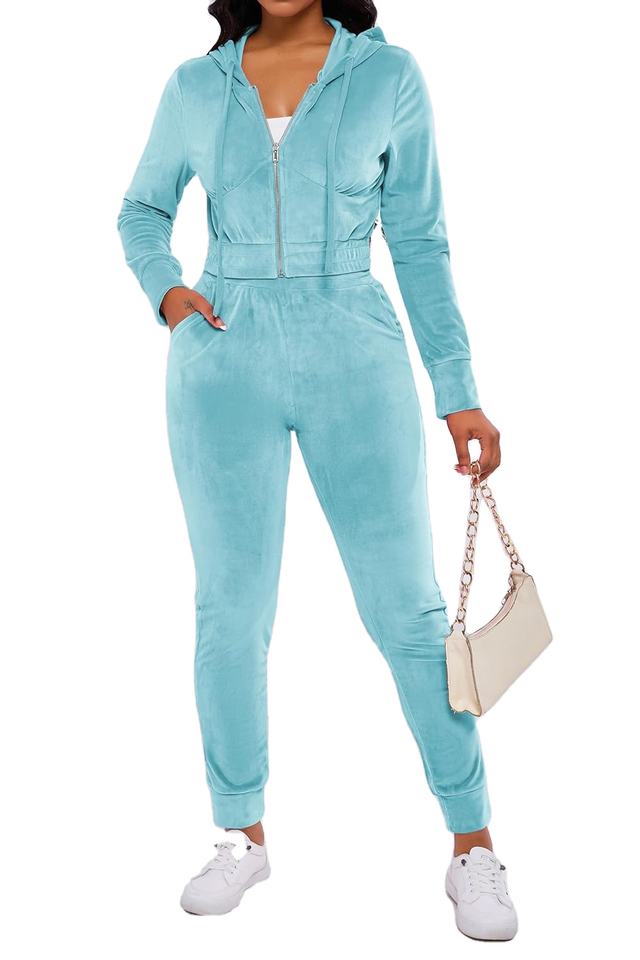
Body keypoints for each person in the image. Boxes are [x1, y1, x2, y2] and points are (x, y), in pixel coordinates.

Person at [117, 0, 516, 940]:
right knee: (230, 609)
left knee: (408, 611)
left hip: (355, 352)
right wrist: (168, 293)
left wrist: (457, 389)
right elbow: (141, 209)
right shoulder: (194, 85)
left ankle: (473, 845)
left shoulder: (388, 75)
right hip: (223, 356)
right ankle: (240, 835)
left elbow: (419, 239)